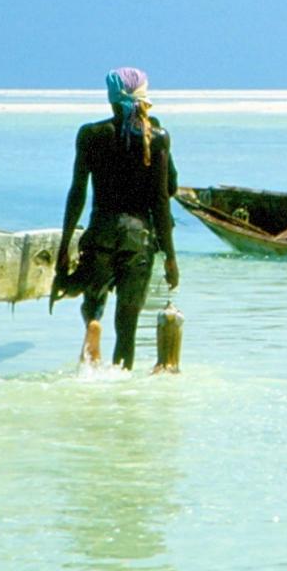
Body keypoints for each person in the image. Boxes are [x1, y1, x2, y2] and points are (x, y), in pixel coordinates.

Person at [55, 67, 179, 370]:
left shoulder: (90, 134)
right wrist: (170, 257)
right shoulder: (158, 137)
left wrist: (64, 245)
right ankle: (121, 378)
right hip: (139, 237)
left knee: (93, 299)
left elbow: (77, 192)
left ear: (111, 99)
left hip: (102, 230)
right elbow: (163, 198)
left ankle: (93, 323)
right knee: (127, 324)